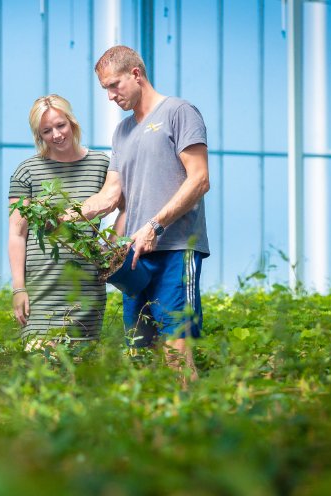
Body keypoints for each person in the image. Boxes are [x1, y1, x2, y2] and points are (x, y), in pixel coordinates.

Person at [79, 46, 210, 380]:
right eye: (105, 89)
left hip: (174, 248)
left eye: (114, 85)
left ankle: (192, 426)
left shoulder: (179, 112)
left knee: (175, 352)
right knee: (140, 353)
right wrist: (68, 214)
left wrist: (155, 225)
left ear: (136, 74)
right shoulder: (122, 132)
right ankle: (154, 429)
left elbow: (199, 180)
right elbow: (110, 195)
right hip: (135, 257)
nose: (110, 96)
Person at [8, 94, 110, 349]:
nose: (56, 135)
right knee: (41, 369)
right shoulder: (27, 171)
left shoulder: (101, 165)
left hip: (86, 287)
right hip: (41, 290)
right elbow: (17, 234)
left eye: (60, 125)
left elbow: (126, 206)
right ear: (38, 135)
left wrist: (111, 250)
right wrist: (19, 289)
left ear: (72, 122)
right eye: (46, 130)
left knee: (82, 370)